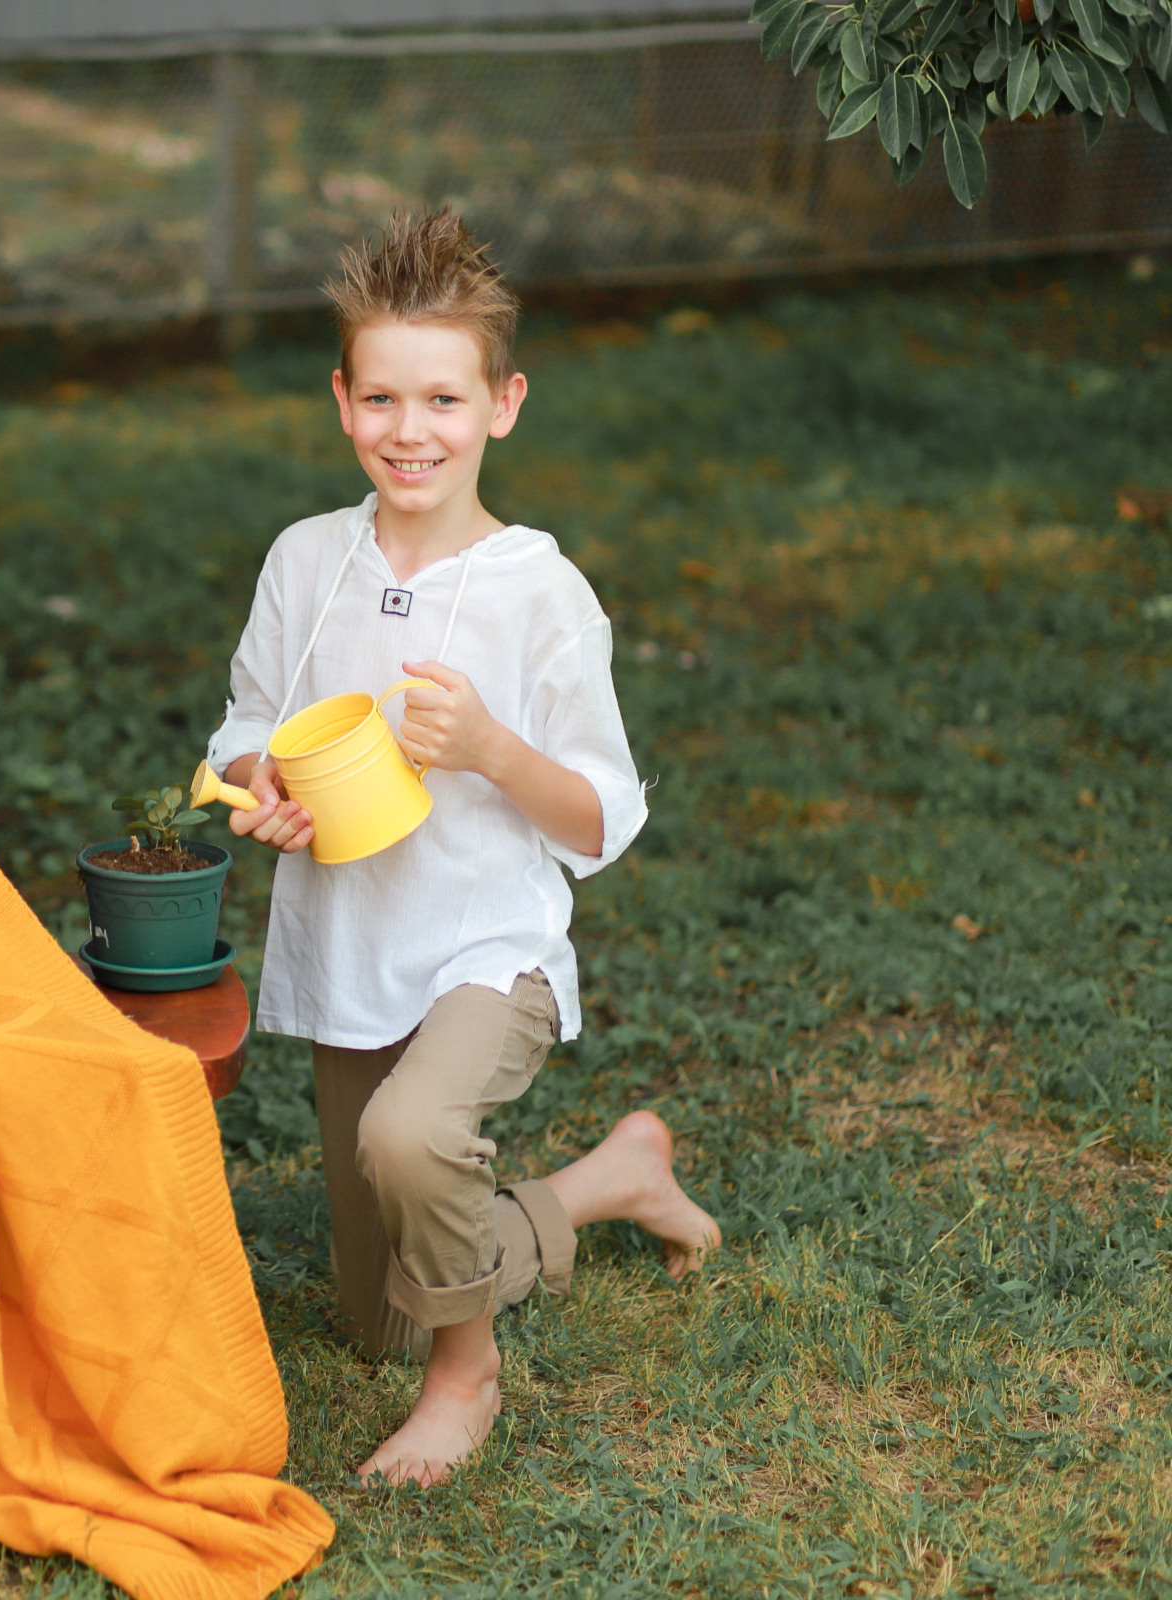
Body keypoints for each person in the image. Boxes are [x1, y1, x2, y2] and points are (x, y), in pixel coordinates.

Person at [205, 211, 721, 1489]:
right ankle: (611, 1178)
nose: (411, 429)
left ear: (503, 404)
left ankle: (466, 1376)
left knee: (412, 1138)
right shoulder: (305, 560)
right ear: (342, 400)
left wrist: (489, 746)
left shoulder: (539, 591)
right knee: (375, 1317)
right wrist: (260, 781)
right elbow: (246, 726)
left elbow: (601, 818)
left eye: (443, 398)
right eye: (382, 396)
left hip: (489, 950)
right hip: (351, 945)